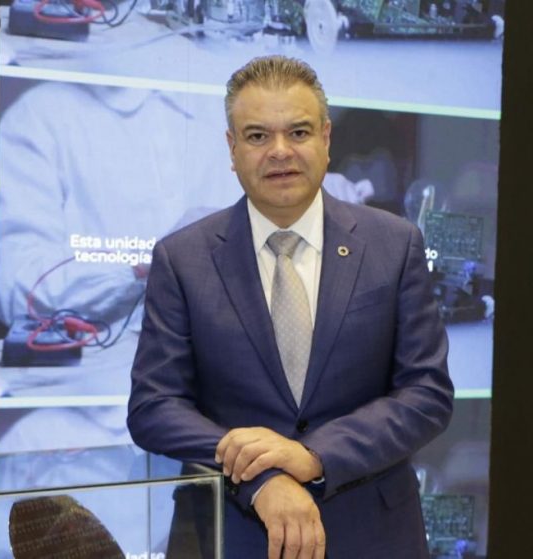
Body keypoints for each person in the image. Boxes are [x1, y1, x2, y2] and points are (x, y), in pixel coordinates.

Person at [127, 55, 453, 559]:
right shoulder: (182, 258)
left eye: (298, 132)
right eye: (258, 136)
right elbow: (154, 407)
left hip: (371, 532)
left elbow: (426, 393)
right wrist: (260, 478)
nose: (280, 151)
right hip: (227, 532)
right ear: (232, 149)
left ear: (326, 138)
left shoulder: (395, 244)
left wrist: (312, 455)